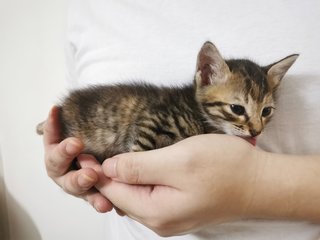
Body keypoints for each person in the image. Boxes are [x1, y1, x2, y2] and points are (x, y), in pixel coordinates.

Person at [42, 1, 320, 239]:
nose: (255, 127)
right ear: (207, 75)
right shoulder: (90, 8)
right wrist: (73, 168)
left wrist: (252, 186)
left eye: (265, 112)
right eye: (238, 109)